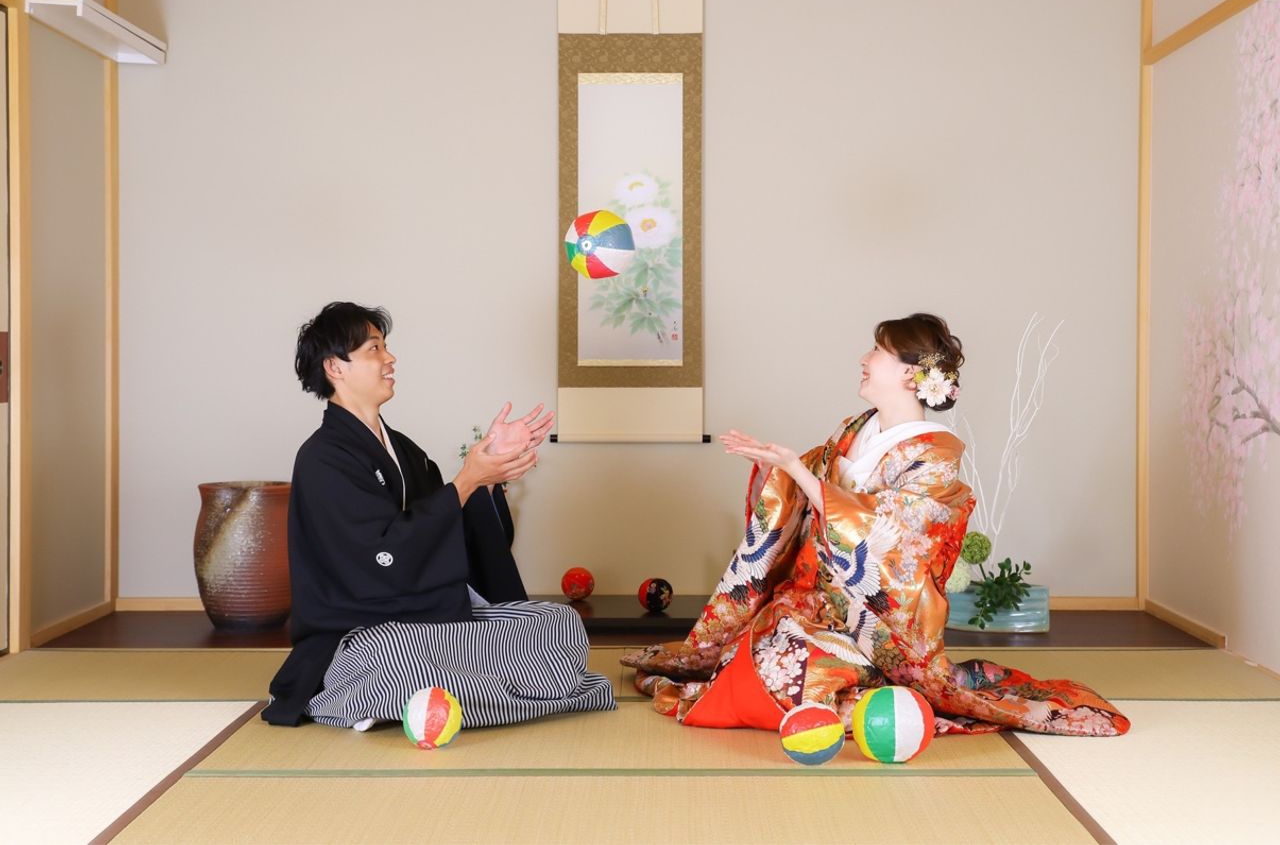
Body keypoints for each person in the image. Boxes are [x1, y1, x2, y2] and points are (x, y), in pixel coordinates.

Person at [623, 313, 1129, 738]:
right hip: (807, 600)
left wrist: (797, 470)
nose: (864, 359)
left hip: (870, 622)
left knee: (785, 679)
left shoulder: (936, 456)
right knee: (736, 668)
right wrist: (781, 473)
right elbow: (804, 492)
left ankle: (883, 696)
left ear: (911, 373)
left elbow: (895, 537)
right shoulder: (855, 428)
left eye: (878, 351)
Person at [263, 301, 616, 728]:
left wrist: (486, 478)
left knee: (556, 623)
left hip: (428, 622)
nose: (390, 358)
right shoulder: (322, 458)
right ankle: (376, 691)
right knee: (398, 658)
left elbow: (451, 526)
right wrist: (467, 479)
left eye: (385, 347)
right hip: (361, 629)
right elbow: (380, 556)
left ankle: (438, 696)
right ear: (335, 367)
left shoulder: (405, 451)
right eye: (374, 349)